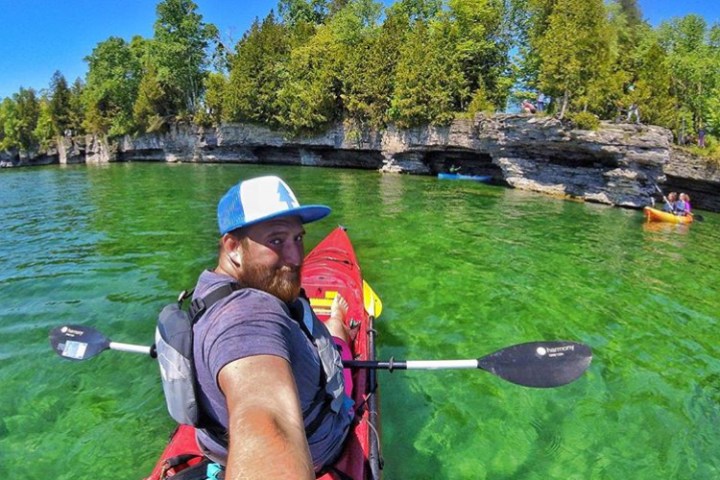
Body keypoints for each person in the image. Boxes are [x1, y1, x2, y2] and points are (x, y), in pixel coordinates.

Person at [192, 175, 357, 479]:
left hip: (219, 450)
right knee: (336, 343)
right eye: (277, 241)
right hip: (322, 448)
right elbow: (268, 419)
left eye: (298, 238)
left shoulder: (207, 290)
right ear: (233, 247)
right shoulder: (248, 313)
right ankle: (337, 323)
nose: (296, 258)